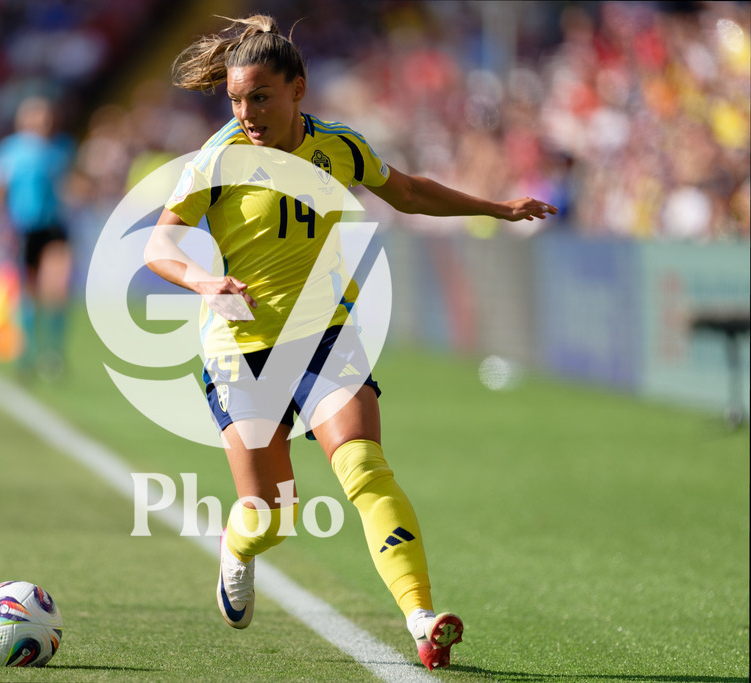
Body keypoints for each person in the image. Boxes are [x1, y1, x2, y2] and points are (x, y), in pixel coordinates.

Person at [144, 15, 557, 671]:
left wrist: (497, 209)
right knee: (273, 516)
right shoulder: (218, 158)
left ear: (298, 90)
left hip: (324, 338)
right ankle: (237, 546)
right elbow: (159, 243)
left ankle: (422, 617)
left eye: (261, 97)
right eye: (237, 100)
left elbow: (410, 192)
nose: (248, 113)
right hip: (240, 351)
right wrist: (202, 279)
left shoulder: (340, 146)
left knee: (366, 469)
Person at [0, 95, 76, 382]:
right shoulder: (10, 151)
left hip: (54, 226)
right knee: (27, 294)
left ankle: (53, 353)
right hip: (23, 228)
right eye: (37, 116)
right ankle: (27, 353)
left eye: (46, 116)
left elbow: (70, 185)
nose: (43, 122)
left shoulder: (61, 149)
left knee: (57, 288)